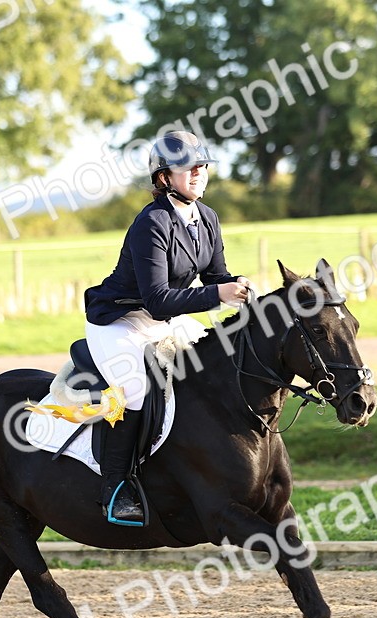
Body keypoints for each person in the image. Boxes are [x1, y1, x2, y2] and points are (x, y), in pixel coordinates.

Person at [83, 130, 251, 525]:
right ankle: (115, 489)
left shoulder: (207, 218)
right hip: (120, 322)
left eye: (201, 165)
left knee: (212, 368)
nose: (198, 173)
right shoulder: (152, 222)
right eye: (187, 167)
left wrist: (239, 288)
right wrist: (219, 294)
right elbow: (157, 299)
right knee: (136, 392)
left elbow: (215, 278)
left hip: (166, 319)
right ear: (164, 177)